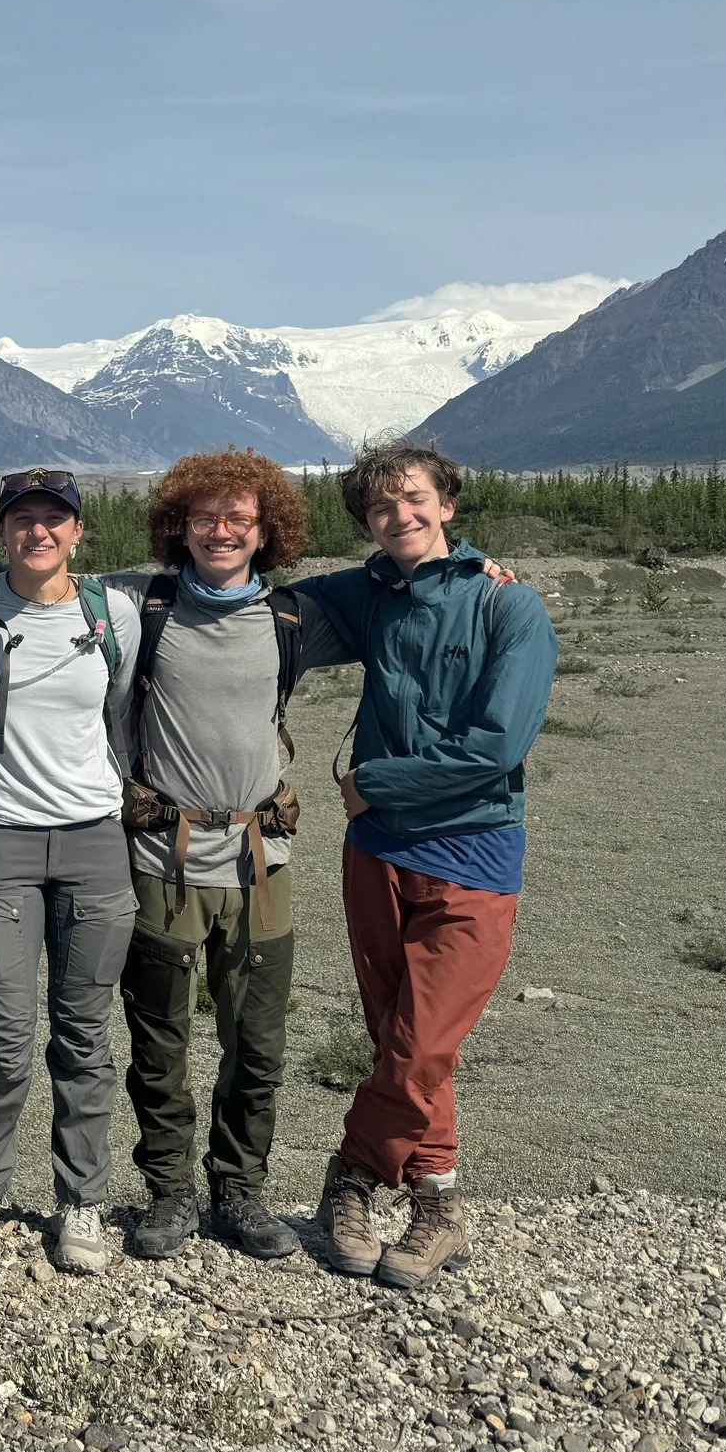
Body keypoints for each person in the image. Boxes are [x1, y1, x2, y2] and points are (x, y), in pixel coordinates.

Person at [291, 443, 554, 1290]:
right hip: (376, 856)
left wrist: (373, 781)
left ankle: (352, 1175)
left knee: (419, 1041)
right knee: (403, 1040)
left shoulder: (509, 607)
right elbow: (255, 596)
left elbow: (497, 745)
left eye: (412, 499)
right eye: (379, 507)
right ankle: (439, 1202)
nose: (397, 515)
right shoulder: (368, 593)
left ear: (446, 503)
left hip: (473, 850)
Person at [108, 453, 335, 1265]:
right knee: (158, 1039)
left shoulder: (294, 616)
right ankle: (169, 1194)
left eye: (239, 517)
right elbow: (33, 572)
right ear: (180, 525)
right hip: (161, 860)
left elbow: (397, 588)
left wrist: (482, 567)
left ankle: (240, 1190)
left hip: (261, 860)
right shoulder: (143, 604)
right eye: (205, 516)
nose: (222, 530)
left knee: (259, 1042)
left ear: (268, 530)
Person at [0, 471, 141, 1274]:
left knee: (84, 1036)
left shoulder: (113, 613)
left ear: (79, 531)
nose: (39, 532)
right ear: (2, 530)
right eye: (23, 519)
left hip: (94, 843)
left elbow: (118, 698)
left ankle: (81, 1203)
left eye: (56, 519)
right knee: (5, 1039)